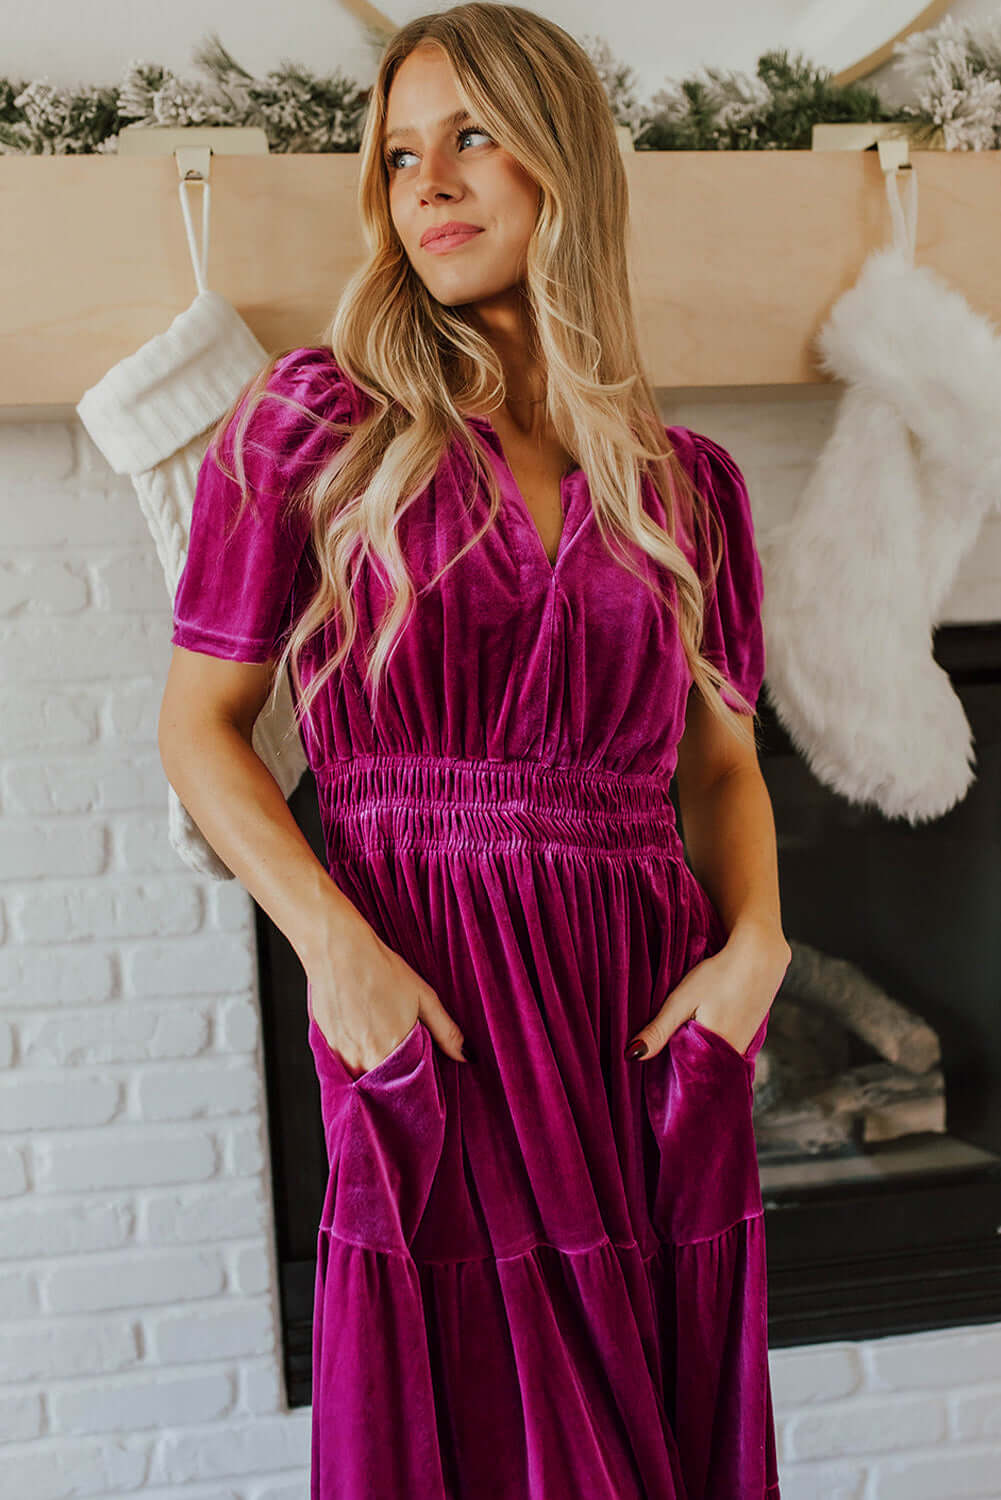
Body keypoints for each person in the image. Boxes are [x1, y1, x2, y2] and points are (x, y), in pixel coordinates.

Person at [158, 5, 791, 1496]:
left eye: (471, 137)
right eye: (396, 157)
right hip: (423, 981)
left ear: (563, 161)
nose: (427, 183)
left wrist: (756, 943)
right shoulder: (314, 421)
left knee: (651, 1411)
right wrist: (337, 952)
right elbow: (198, 731)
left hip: (640, 995)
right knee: (458, 1417)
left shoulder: (684, 483)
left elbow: (718, 765)